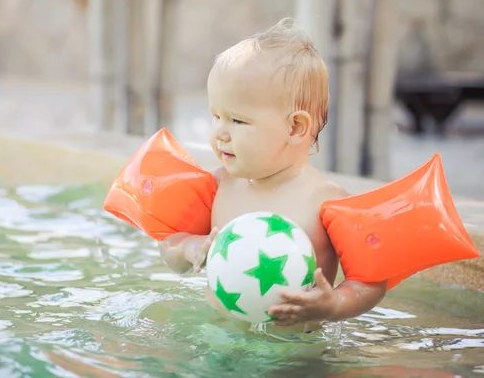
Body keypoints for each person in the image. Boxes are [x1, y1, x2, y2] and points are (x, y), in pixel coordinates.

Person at [158, 18, 387, 332]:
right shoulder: (219, 185)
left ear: (294, 127)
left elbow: (370, 281)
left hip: (291, 350)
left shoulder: (328, 203)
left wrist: (334, 304)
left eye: (237, 120)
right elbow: (170, 245)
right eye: (216, 116)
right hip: (217, 335)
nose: (220, 133)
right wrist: (188, 249)